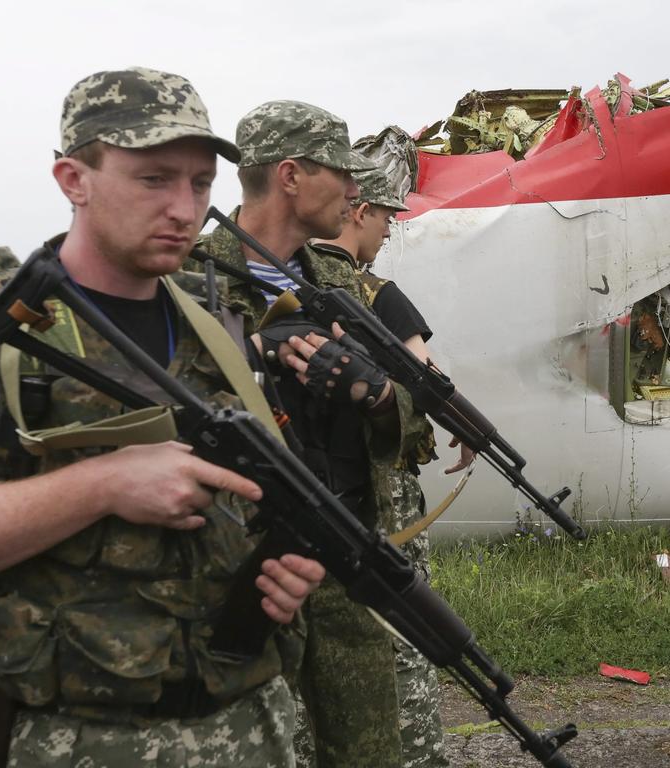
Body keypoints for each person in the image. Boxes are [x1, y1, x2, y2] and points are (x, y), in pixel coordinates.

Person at [0, 68, 325, 768]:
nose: (184, 209)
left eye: (199, 183)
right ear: (73, 178)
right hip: (65, 741)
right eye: (154, 179)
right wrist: (101, 486)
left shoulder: (220, 321)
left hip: (252, 730)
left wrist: (286, 567)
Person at [200, 100, 431, 768]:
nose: (356, 192)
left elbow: (417, 406)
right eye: (342, 173)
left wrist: (379, 391)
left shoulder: (344, 285)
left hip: (346, 559)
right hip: (246, 573)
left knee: (368, 751)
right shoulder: (194, 275)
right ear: (292, 177)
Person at [312, 167, 464, 768]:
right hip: (381, 487)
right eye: (385, 218)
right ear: (358, 211)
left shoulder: (278, 281)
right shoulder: (377, 295)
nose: (387, 231)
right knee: (404, 627)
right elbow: (425, 381)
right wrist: (467, 434)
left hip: (312, 485)